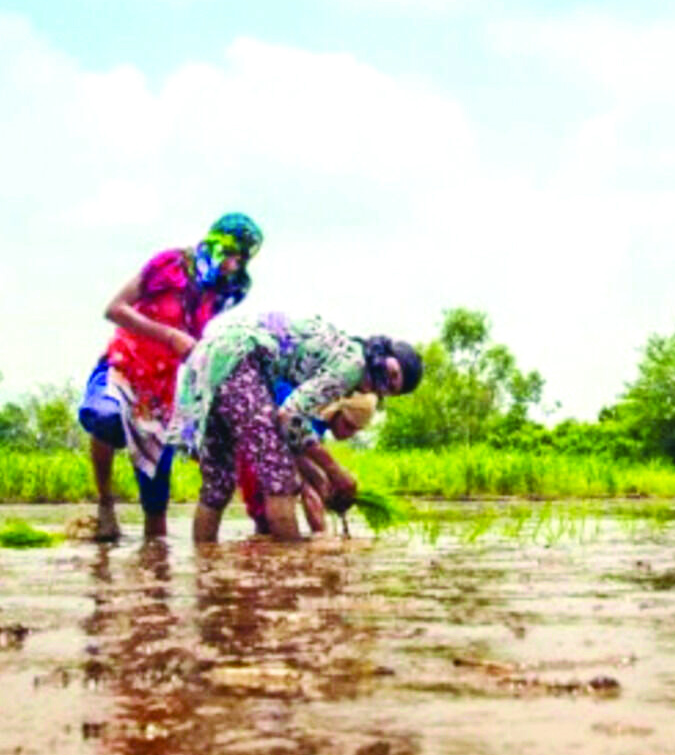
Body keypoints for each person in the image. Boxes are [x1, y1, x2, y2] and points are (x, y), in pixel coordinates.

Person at [76, 213, 264, 542]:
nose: (234, 266)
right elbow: (115, 309)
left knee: (156, 500)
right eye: (233, 255)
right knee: (105, 417)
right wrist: (168, 336)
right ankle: (105, 503)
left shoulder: (220, 291)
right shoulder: (170, 265)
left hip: (161, 392)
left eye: (242, 260)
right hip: (124, 366)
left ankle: (156, 576)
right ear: (218, 243)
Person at [168, 311, 423, 543]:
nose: (384, 385)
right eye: (392, 374)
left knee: (218, 484)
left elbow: (292, 434)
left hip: (212, 356)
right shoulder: (354, 365)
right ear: (384, 353)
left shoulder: (347, 351)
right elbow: (289, 416)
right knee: (280, 477)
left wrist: (321, 478)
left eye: (391, 389)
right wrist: (336, 471)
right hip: (241, 359)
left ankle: (204, 574)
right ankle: (290, 577)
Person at [237, 390, 377, 535]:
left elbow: (308, 471)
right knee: (264, 517)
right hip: (254, 443)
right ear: (336, 412)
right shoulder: (309, 419)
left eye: (356, 430)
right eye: (348, 425)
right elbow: (308, 485)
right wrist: (322, 534)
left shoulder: (318, 428)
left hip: (267, 449)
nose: (348, 434)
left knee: (266, 524)